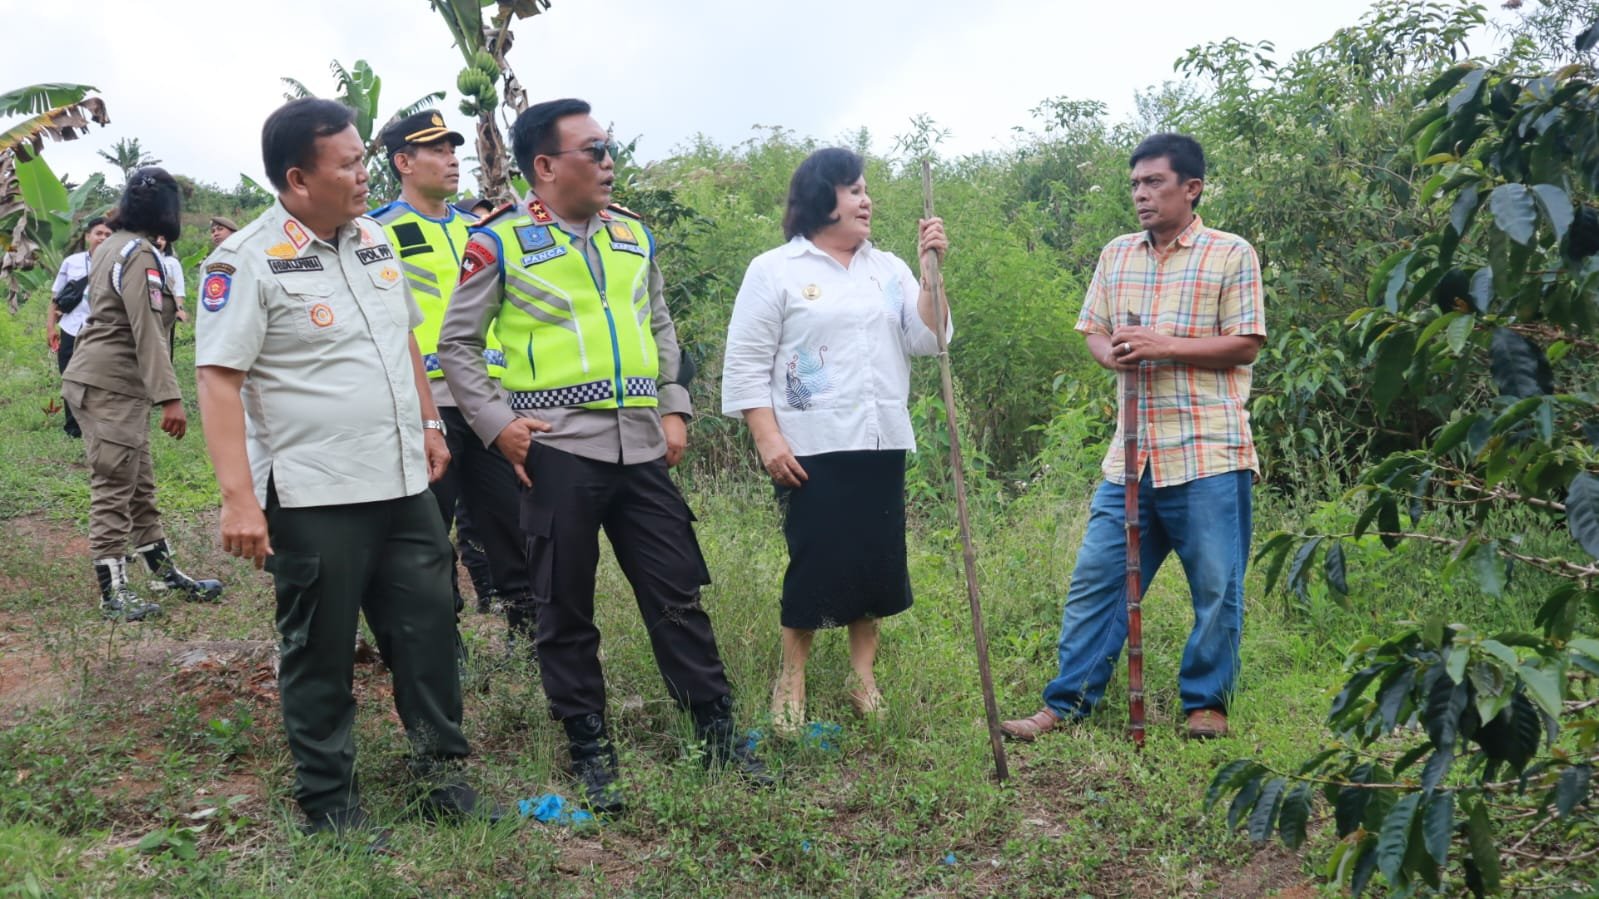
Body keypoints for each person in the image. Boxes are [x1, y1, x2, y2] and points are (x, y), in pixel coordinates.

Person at [438, 97, 769, 813]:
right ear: (546, 165)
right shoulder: (498, 242)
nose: (609, 160)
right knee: (563, 603)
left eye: (609, 146)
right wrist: (498, 424)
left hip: (642, 446)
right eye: (593, 149)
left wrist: (673, 407)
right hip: (557, 449)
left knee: (677, 591)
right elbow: (455, 345)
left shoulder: (632, 237)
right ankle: (591, 752)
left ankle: (714, 735)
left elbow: (659, 322)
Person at [194, 98, 496, 841]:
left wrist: (429, 423)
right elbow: (219, 380)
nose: (364, 173)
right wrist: (239, 501)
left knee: (427, 629)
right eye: (350, 163)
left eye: (363, 158)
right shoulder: (248, 259)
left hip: (401, 482)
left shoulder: (373, 240)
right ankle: (330, 802)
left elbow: (403, 343)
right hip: (315, 491)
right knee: (320, 648)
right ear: (298, 179)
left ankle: (439, 775)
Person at [1000, 133, 1265, 743]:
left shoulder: (1231, 254)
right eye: (1136, 185)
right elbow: (1093, 328)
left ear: (1191, 188)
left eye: (1154, 183)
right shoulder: (1117, 254)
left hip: (1208, 452)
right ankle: (1066, 704)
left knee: (1216, 586)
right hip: (1131, 457)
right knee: (1098, 581)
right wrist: (1112, 356)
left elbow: (1246, 342)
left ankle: (1206, 705)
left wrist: (1164, 345)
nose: (1142, 195)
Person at [720, 148, 951, 734]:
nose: (865, 200)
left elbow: (930, 339)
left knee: (875, 565)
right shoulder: (775, 269)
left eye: (866, 190)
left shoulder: (888, 268)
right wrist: (768, 438)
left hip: (879, 437)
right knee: (815, 561)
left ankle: (861, 679)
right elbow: (747, 362)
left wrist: (930, 273)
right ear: (821, 199)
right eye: (852, 190)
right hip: (808, 444)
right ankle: (790, 679)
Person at [369, 111, 531, 647]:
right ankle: (445, 638)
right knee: (429, 526)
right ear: (403, 163)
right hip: (426, 401)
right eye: (436, 150)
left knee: (510, 519)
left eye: (452, 148)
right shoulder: (376, 231)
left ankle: (528, 630)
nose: (451, 158)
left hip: (489, 399)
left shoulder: (478, 229)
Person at [61, 170, 223, 621]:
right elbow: (147, 329)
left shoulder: (111, 243)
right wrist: (170, 397)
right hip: (112, 383)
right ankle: (113, 592)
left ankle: (164, 571)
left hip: (103, 380)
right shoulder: (140, 254)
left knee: (139, 483)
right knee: (114, 484)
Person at [46, 216, 114, 438]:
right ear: (88, 236)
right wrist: (50, 328)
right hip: (71, 328)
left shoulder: (118, 264)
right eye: (99, 233)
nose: (102, 238)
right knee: (70, 377)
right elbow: (56, 299)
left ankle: (98, 422)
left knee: (100, 377)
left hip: (103, 330)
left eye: (108, 235)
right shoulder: (72, 262)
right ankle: (73, 426)